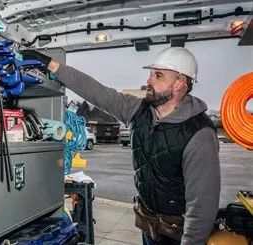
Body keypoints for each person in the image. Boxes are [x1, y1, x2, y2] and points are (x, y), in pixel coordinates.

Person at [21, 47, 221, 245]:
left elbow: (202, 204)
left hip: (179, 235)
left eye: (158, 75)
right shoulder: (137, 110)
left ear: (179, 83)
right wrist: (51, 64)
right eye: (151, 74)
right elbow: (96, 91)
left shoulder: (199, 133)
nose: (149, 80)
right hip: (149, 227)